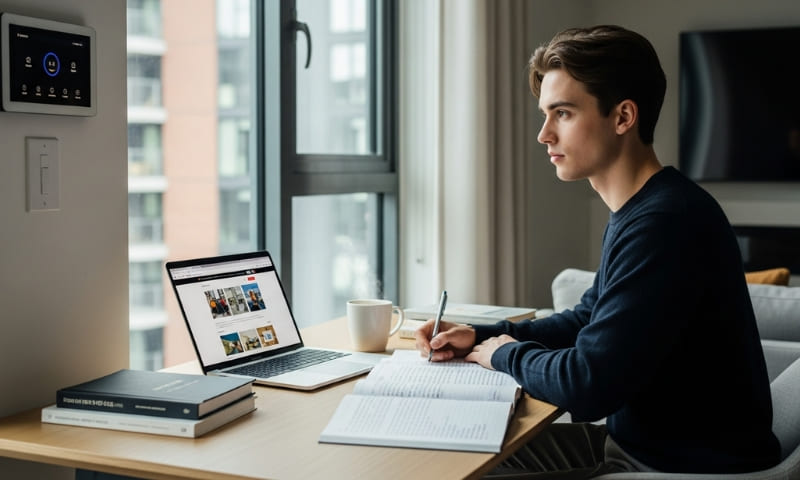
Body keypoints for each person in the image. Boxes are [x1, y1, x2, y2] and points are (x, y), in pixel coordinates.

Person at [415, 25, 780, 477]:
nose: (543, 135)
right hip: (642, 446)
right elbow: (589, 318)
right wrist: (483, 334)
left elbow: (589, 385)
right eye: (545, 115)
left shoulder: (664, 221)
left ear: (623, 117)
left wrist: (504, 353)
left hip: (673, 468)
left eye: (562, 113)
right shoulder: (646, 207)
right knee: (457, 454)